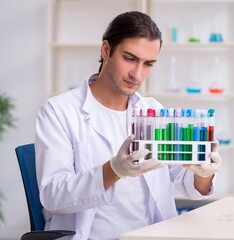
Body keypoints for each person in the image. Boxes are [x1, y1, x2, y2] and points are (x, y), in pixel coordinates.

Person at [35, 11, 222, 240]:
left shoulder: (153, 111)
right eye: (130, 58)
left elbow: (188, 185)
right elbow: (53, 196)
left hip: (152, 234)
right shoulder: (58, 112)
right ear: (106, 50)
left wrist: (204, 172)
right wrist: (114, 170)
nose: (137, 74)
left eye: (148, 64)